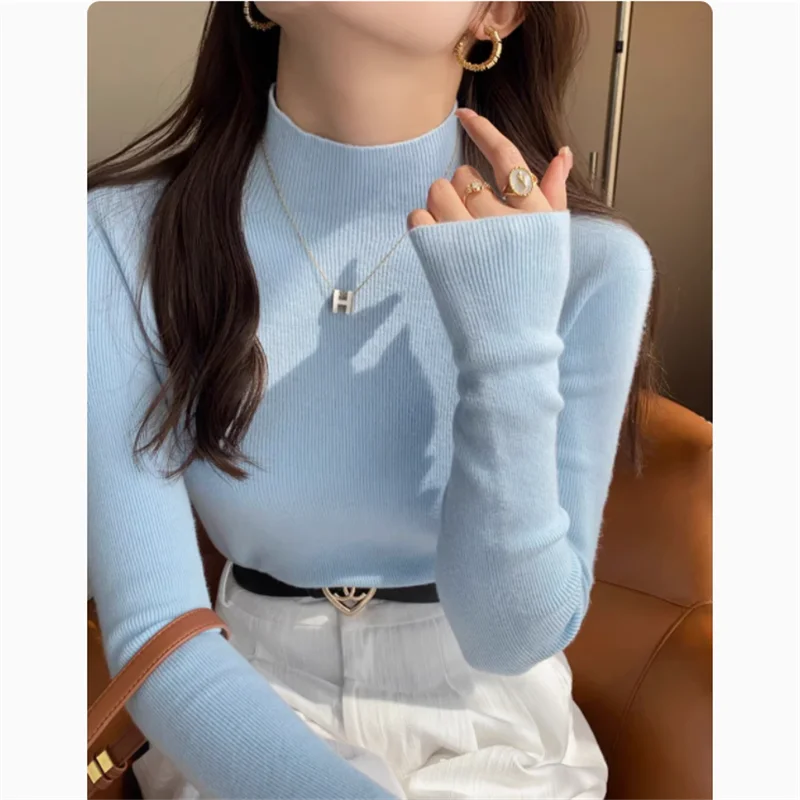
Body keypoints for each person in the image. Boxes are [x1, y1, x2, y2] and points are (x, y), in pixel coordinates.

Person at [88, 2, 657, 798]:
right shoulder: (123, 238)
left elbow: (512, 637)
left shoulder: (589, 262)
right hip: (239, 723)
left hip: (494, 739)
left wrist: (508, 343)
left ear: (497, 12)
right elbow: (155, 634)